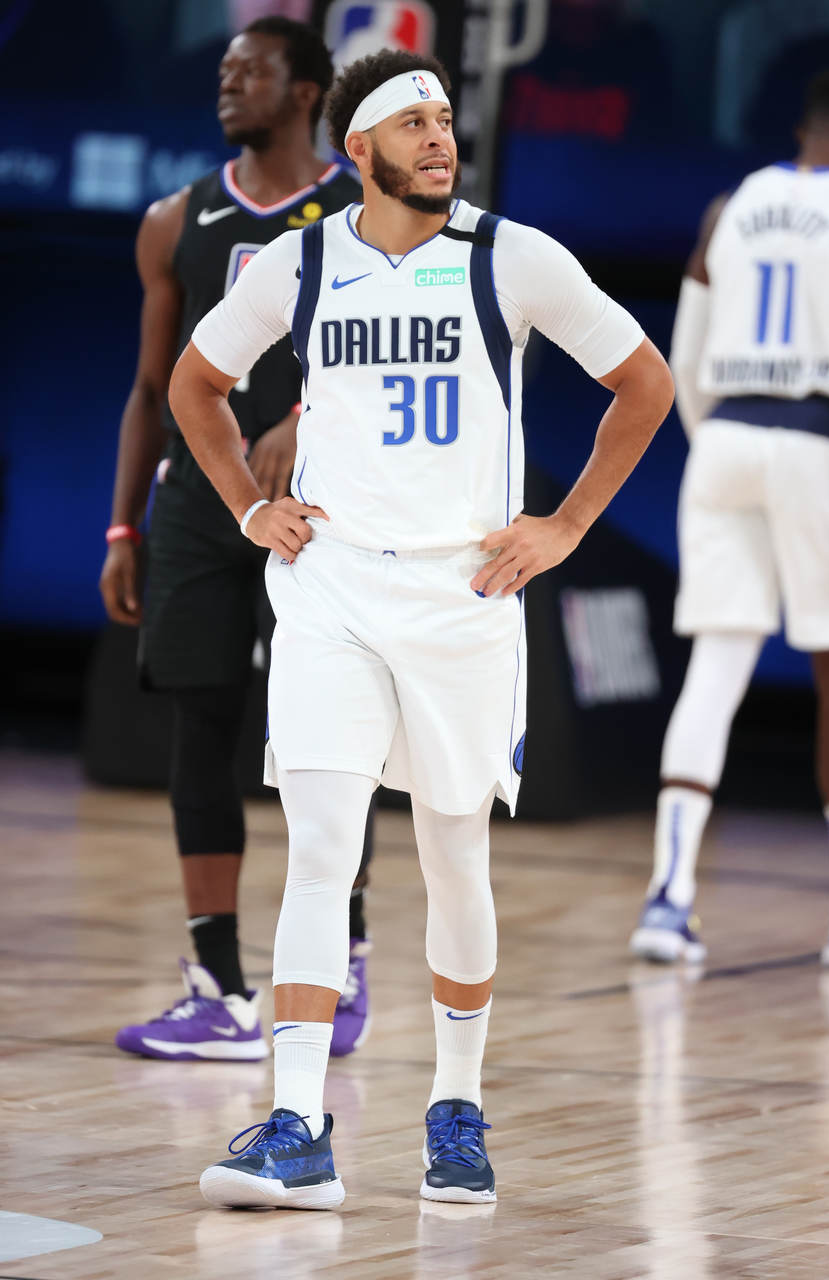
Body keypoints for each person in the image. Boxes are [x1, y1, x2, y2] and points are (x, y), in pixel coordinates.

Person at [169, 48, 672, 1209]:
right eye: (414, 122)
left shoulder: (511, 256)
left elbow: (643, 382)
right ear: (360, 150)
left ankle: (456, 1106)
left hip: (463, 591)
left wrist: (566, 524)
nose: (440, 136)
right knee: (320, 848)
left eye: (445, 118)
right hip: (333, 584)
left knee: (455, 854)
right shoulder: (301, 263)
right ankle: (298, 1124)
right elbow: (197, 383)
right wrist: (248, 505)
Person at [99, 16, 374, 1063]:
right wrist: (123, 524)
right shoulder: (176, 218)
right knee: (200, 727)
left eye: (249, 71)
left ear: (305, 92)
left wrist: (304, 413)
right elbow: (147, 387)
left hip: (323, 509)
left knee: (327, 736)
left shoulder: (363, 211)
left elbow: (393, 358)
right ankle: (217, 984)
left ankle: (342, 959)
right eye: (222, 71)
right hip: (198, 507)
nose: (228, 84)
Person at [630, 69, 829, 968]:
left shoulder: (731, 206)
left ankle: (667, 899)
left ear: (801, 129)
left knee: (715, 667)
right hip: (818, 442)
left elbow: (683, 356)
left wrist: (715, 441)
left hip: (721, 437)